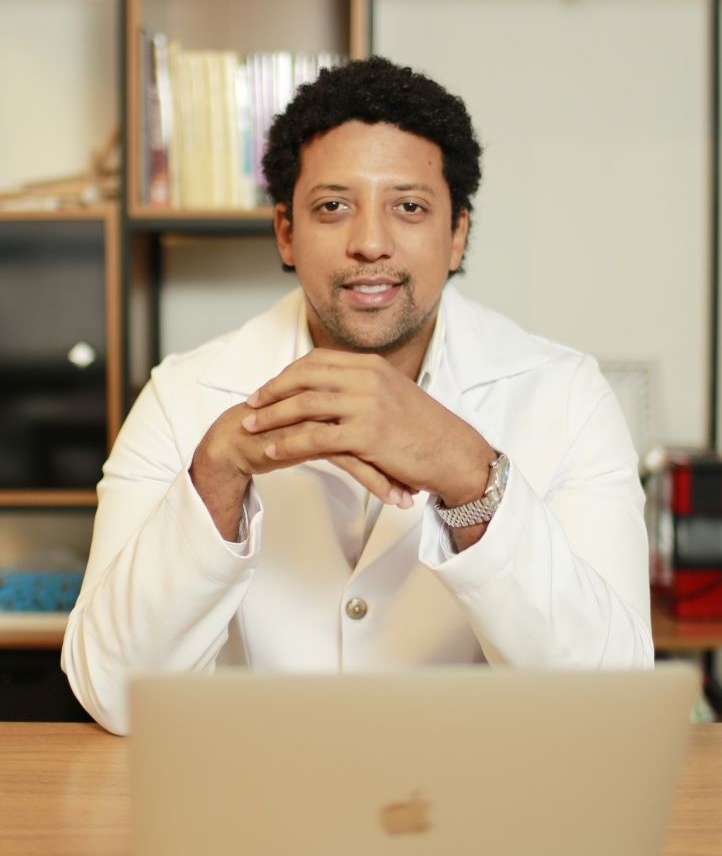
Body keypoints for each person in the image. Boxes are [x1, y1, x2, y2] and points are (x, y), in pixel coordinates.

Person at [61, 56, 653, 735]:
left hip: (475, 788)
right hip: (256, 787)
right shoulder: (182, 396)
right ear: (286, 231)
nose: (370, 243)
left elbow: (612, 702)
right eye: (333, 207)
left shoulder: (567, 396)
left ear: (457, 234)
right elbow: (114, 695)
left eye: (409, 207)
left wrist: (471, 477)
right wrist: (218, 473)